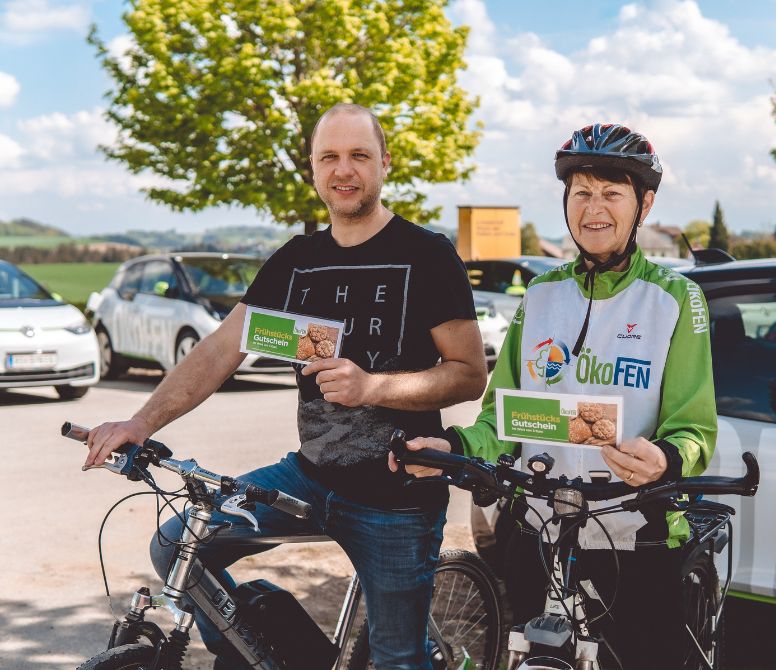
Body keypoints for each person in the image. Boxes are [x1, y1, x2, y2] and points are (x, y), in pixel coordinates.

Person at [84, 103, 488, 670]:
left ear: (385, 164)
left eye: (358, 156)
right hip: (307, 478)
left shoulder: (426, 254)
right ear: (313, 169)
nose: (343, 170)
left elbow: (470, 375)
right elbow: (222, 348)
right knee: (177, 543)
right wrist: (140, 422)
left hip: (399, 496)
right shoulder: (297, 260)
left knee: (398, 658)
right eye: (329, 157)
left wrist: (373, 387)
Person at [393, 123, 717, 669]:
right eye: (582, 192)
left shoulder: (676, 298)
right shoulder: (541, 295)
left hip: (638, 533)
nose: (595, 207)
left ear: (645, 203)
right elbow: (503, 418)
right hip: (540, 531)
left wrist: (664, 459)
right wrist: (456, 447)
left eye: (613, 193)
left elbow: (695, 429)